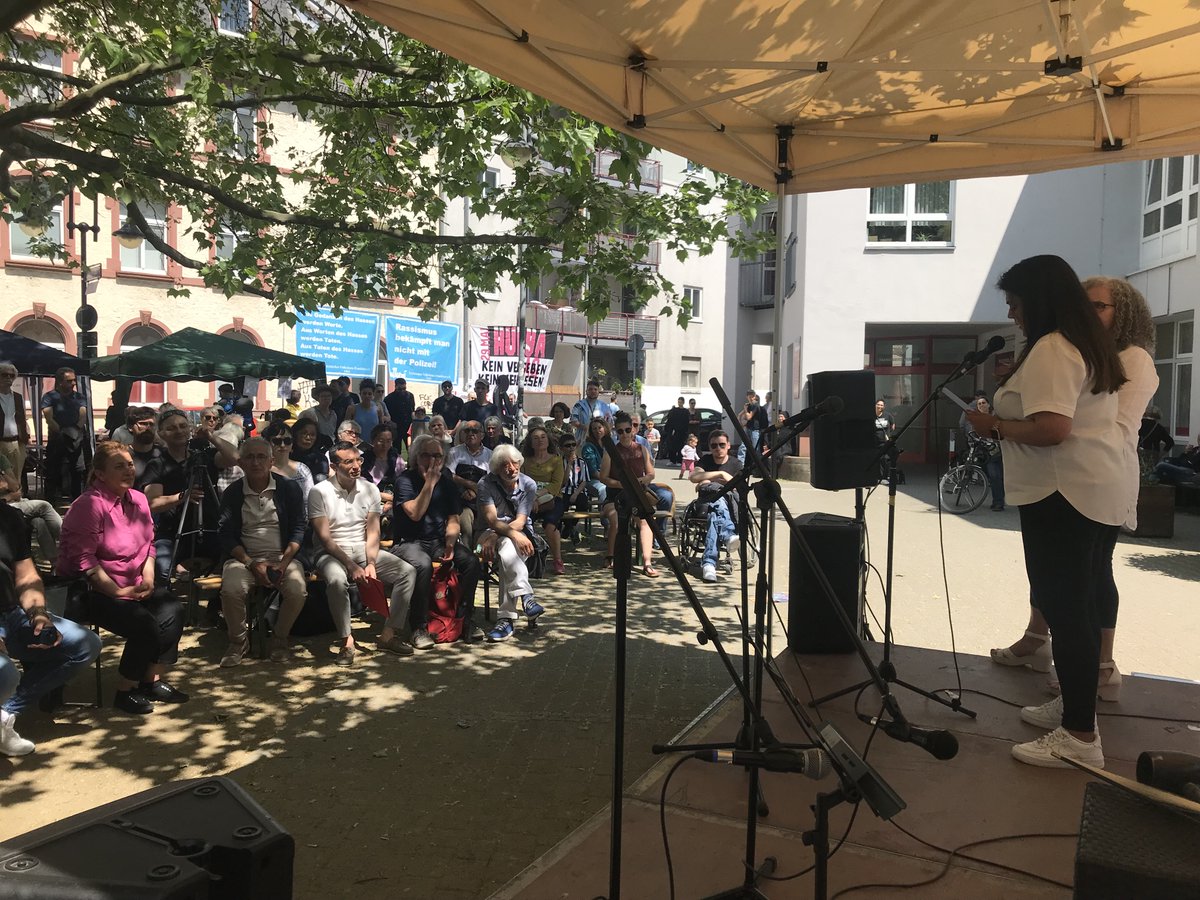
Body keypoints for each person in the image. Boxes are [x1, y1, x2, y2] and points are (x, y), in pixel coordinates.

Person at [964, 254, 1126, 769]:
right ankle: (1077, 708)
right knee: (1075, 605)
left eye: (1014, 303)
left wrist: (994, 427)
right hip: (1088, 491)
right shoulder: (1082, 343)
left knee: (1066, 610)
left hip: (1064, 495)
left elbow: (1053, 428)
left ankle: (1079, 738)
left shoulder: (1055, 348)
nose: (1012, 314)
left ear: (1038, 299)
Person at [990, 275, 1159, 703]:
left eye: (1100, 307)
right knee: (1050, 573)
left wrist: (1032, 420)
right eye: (1085, 305)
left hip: (1100, 476)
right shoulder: (1083, 352)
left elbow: (1110, 425)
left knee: (1092, 573)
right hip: (1063, 476)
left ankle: (1101, 667)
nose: (1089, 313)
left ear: (1126, 314)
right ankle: (1038, 640)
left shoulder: (1133, 357)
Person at [58, 442, 188, 714]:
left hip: (134, 583)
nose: (129, 470)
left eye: (130, 464)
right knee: (144, 624)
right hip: (90, 589)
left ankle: (150, 680)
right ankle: (125, 690)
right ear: (100, 474)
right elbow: (85, 562)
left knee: (172, 609)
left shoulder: (139, 499)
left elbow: (149, 545)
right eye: (119, 466)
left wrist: (149, 578)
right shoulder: (89, 506)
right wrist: (117, 592)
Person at [1, 494, 101, 754]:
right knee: (5, 673)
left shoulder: (8, 517)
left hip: (11, 612)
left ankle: (4, 714)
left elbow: (26, 576)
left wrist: (39, 614)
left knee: (85, 644)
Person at [308, 441, 416, 666]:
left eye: (359, 460)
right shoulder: (319, 492)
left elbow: (373, 532)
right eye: (349, 461)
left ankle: (389, 634)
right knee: (337, 580)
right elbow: (326, 540)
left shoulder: (370, 489)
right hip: (331, 553)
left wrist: (371, 563)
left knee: (407, 572)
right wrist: (351, 565)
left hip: (362, 547)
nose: (356, 466)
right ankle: (346, 640)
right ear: (335, 465)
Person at [216, 438, 308, 666]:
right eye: (249, 457)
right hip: (244, 559)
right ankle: (238, 642)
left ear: (271, 461)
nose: (255, 462)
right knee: (231, 589)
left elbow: (299, 527)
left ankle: (279, 638)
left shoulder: (288, 488)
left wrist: (284, 563)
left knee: (298, 590)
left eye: (261, 457)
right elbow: (226, 535)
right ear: (242, 463)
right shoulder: (233, 493)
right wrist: (251, 563)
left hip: (282, 557)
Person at [390, 434, 482, 648]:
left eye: (438, 456)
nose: (432, 461)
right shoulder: (405, 480)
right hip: (408, 542)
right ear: (416, 458)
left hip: (438, 541)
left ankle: (464, 619)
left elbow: (453, 519)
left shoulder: (448, 483)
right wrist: (429, 484)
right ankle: (419, 627)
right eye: (426, 456)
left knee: (470, 561)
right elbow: (415, 513)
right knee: (422, 565)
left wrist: (451, 542)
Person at [138, 409, 236, 583]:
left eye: (183, 426)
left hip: (209, 529)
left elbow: (235, 457)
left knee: (230, 565)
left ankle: (215, 607)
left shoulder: (204, 457)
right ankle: (166, 606)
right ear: (161, 434)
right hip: (172, 532)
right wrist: (182, 497)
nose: (179, 431)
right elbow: (151, 502)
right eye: (172, 428)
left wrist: (211, 437)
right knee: (162, 569)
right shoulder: (157, 465)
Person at [476, 444, 546, 641]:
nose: (512, 468)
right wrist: (502, 535)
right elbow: (491, 520)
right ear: (497, 468)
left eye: (515, 463)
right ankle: (526, 597)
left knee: (508, 548)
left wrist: (502, 536)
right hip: (483, 539)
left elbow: (521, 521)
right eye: (505, 465)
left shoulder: (529, 484)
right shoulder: (485, 484)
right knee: (510, 546)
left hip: (518, 533)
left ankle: (506, 620)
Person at [599, 411, 662, 577]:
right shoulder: (610, 451)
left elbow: (651, 474)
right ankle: (611, 555)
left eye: (627, 430)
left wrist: (639, 481)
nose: (624, 434)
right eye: (620, 431)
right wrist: (621, 484)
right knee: (615, 519)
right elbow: (603, 477)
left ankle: (647, 562)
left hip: (636, 496)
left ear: (633, 430)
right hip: (615, 497)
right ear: (615, 432)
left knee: (647, 521)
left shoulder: (642, 449)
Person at [690, 429, 742, 582]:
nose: (718, 449)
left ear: (728, 446)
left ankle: (709, 564)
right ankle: (727, 534)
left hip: (729, 505)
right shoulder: (705, 461)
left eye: (721, 445)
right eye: (714, 446)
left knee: (715, 512)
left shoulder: (736, 463)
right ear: (709, 447)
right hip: (704, 506)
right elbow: (694, 476)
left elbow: (739, 487)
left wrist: (708, 481)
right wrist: (720, 475)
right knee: (715, 502)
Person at [0, 452, 61, 567]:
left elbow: (15, 486)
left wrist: (3, 474)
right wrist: (8, 496)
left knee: (39, 522)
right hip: (6, 506)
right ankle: (72, 544)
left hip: (16, 502)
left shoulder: (1, 459)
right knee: (44, 506)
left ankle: (56, 565)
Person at [520, 426, 566, 575]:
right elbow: (521, 481)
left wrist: (537, 497)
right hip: (529, 500)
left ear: (548, 440)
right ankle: (528, 560)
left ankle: (557, 560)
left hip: (552, 498)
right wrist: (531, 498)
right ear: (530, 443)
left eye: (543, 437)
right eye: (535, 438)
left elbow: (556, 484)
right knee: (523, 522)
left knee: (550, 525)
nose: (540, 440)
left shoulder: (556, 460)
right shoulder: (525, 461)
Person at [41, 367, 88, 502]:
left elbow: (83, 416)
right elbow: (49, 418)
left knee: (77, 472)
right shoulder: (49, 397)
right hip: (57, 439)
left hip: (76, 438)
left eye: (74, 380)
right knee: (52, 472)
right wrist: (62, 433)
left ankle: (77, 503)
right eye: (69, 381)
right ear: (60, 382)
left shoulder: (79, 397)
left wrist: (73, 432)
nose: (73, 383)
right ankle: (49, 502)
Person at [447, 420, 491, 544]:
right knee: (465, 521)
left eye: (475, 431)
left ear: (482, 435)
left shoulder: (490, 455)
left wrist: (477, 491)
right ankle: (467, 556)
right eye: (467, 431)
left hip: (483, 499)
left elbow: (492, 480)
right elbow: (449, 475)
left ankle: (481, 556)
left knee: (485, 524)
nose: (470, 434)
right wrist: (468, 486)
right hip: (461, 498)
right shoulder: (454, 452)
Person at [963, 396, 1006, 511]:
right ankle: (999, 499)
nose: (981, 405)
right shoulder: (976, 419)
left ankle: (998, 502)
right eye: (979, 404)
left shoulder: (995, 418)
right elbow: (971, 432)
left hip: (995, 451)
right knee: (992, 476)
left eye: (983, 403)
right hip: (982, 452)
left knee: (995, 476)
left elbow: (998, 433)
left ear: (988, 405)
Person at [263, 422, 314, 504]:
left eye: (287, 441)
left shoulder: (302, 470)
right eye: (277, 441)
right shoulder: (261, 470)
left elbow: (309, 502)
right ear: (268, 443)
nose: (283, 445)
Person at [361, 424, 405, 519]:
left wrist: (392, 501)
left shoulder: (397, 460)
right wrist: (386, 497)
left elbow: (402, 485)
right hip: (368, 501)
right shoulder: (363, 460)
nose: (385, 445)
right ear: (373, 441)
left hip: (392, 502)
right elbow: (361, 487)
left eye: (388, 441)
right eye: (381, 441)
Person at [0, 362, 31, 486]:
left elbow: (22, 418)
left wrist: (26, 436)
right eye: (4, 375)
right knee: (3, 480)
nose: (8, 378)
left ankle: (15, 503)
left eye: (12, 376)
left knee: (16, 478)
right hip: (0, 441)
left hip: (17, 443)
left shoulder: (19, 397)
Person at [290, 418, 330, 486]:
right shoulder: (286, 457)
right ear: (295, 434)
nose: (308, 438)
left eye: (312, 435)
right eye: (304, 433)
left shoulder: (321, 459)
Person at [581, 418, 610, 506]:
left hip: (609, 478)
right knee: (604, 489)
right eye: (594, 429)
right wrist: (607, 480)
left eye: (599, 427)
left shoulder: (610, 444)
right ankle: (605, 518)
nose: (597, 431)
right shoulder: (588, 447)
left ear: (604, 428)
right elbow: (593, 471)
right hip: (594, 480)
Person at [383, 377, 415, 452]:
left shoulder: (410, 396)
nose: (402, 391)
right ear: (395, 387)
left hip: (408, 426)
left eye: (404, 389)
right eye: (400, 389)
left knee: (410, 448)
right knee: (396, 449)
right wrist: (391, 423)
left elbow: (412, 410)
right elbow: (386, 413)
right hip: (395, 426)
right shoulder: (389, 398)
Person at [738, 391, 768, 464]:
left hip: (755, 430)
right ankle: (740, 464)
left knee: (756, 449)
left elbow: (749, 417)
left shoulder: (755, 405)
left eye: (752, 396)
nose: (751, 398)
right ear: (747, 397)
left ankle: (758, 466)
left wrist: (745, 409)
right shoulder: (749, 406)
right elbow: (740, 415)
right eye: (749, 396)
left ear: (754, 396)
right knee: (743, 446)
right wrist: (742, 422)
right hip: (748, 428)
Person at [661, 397, 691, 463]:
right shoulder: (674, 410)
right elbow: (669, 420)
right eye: (678, 402)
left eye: (681, 402)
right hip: (673, 431)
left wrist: (685, 432)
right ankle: (672, 460)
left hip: (681, 432)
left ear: (683, 402)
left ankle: (679, 460)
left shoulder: (685, 411)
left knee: (680, 446)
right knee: (672, 446)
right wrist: (668, 429)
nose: (679, 403)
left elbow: (686, 422)